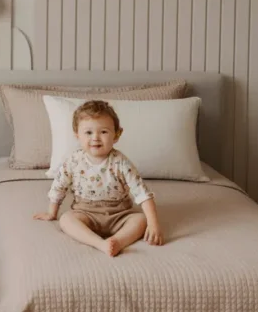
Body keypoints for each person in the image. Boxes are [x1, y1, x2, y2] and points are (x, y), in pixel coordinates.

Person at [33, 99, 164, 257]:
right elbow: (59, 187)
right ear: (77, 136)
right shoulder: (73, 161)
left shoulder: (121, 163)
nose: (95, 138)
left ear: (116, 135)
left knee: (141, 220)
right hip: (86, 213)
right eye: (88, 132)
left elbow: (142, 194)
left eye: (103, 132)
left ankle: (118, 241)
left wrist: (153, 224)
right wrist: (52, 213)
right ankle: (99, 243)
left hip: (119, 214)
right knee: (66, 220)